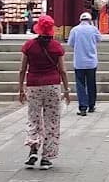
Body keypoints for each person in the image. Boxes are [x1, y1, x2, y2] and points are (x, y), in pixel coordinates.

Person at [19, 15, 71, 170]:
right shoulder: (56, 46)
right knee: (52, 121)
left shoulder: (29, 46)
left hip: (33, 85)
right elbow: (62, 70)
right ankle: (46, 157)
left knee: (33, 117)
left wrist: (20, 88)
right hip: (52, 85)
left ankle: (33, 148)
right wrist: (66, 90)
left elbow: (22, 69)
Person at [68, 12, 102, 116]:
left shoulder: (75, 30)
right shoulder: (93, 29)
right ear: (90, 20)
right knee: (91, 83)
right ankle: (91, 105)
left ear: (80, 20)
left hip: (79, 61)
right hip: (91, 61)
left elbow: (70, 43)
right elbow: (99, 39)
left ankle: (83, 107)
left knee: (80, 84)